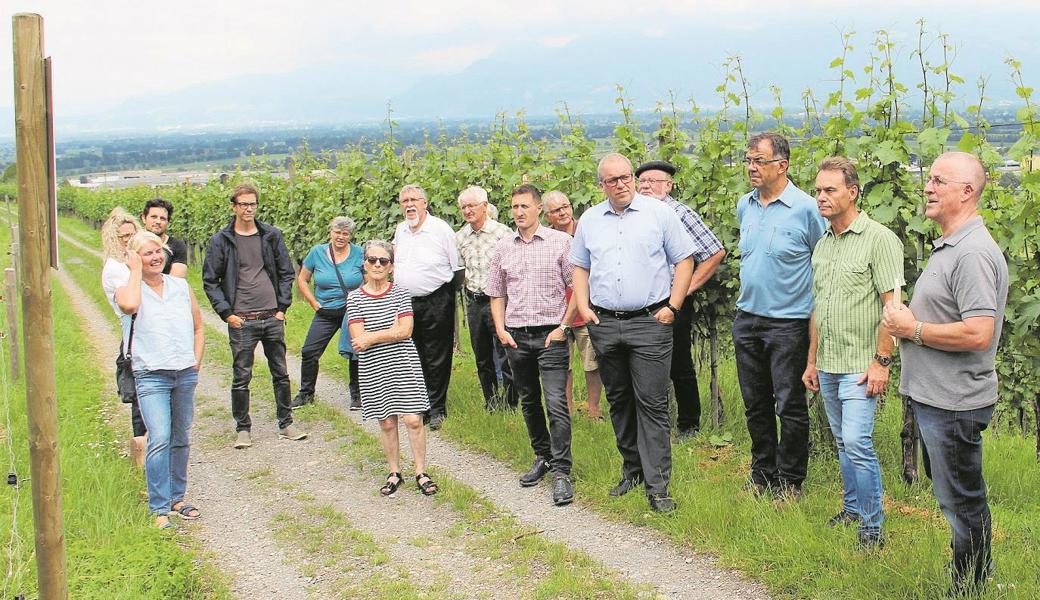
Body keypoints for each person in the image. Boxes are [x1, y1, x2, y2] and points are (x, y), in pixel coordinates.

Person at [883, 152, 1007, 595]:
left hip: (954, 402)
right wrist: (907, 318)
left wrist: (911, 328)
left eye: (938, 181)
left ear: (966, 192)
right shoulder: (952, 245)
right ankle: (972, 577)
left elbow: (978, 332)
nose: (928, 187)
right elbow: (950, 315)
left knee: (961, 501)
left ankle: (970, 586)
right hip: (937, 398)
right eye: (928, 179)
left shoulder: (972, 252)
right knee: (954, 494)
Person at [570, 153, 696, 513]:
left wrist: (672, 306)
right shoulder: (591, 220)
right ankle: (633, 470)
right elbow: (580, 265)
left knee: (653, 404)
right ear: (602, 186)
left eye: (626, 177)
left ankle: (658, 487)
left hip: (649, 322)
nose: (622, 184)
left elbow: (685, 259)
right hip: (605, 323)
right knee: (619, 399)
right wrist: (583, 306)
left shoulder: (659, 214)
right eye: (613, 180)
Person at [801, 157, 903, 549]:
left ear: (853, 192)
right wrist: (812, 360)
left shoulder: (880, 239)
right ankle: (853, 509)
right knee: (844, 442)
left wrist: (881, 362)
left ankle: (872, 528)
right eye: (818, 190)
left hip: (862, 366)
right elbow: (819, 306)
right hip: (828, 363)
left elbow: (893, 309)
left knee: (858, 442)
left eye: (830, 190)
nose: (821, 197)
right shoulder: (824, 243)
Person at [733, 132, 827, 500]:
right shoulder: (745, 205)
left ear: (782, 165)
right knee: (755, 403)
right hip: (747, 318)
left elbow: (823, 264)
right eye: (749, 160)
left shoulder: (806, 209)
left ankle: (790, 482)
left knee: (789, 403)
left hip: (789, 323)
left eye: (760, 161)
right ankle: (762, 475)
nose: (752, 168)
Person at [487, 184, 576, 506]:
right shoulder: (502, 248)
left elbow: (578, 287)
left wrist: (564, 327)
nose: (519, 212)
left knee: (556, 403)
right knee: (529, 400)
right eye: (514, 207)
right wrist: (500, 329)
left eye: (525, 206)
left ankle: (563, 471)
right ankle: (542, 455)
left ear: (539, 209)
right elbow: (496, 293)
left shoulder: (561, 243)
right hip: (516, 336)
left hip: (550, 334)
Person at [202, 182, 307, 448]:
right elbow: (210, 280)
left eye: (253, 204)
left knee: (281, 373)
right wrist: (226, 314)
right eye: (244, 204)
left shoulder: (270, 235)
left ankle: (286, 423)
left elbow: (286, 272)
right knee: (241, 376)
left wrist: (282, 308)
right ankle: (243, 428)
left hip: (271, 316)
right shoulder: (221, 240)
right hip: (242, 319)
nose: (249, 209)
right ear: (233, 207)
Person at [114, 231, 204, 529]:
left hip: (184, 371)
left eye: (158, 252)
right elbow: (128, 306)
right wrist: (135, 271)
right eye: (147, 253)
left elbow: (198, 327)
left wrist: (196, 362)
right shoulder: (127, 289)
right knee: (160, 437)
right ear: (134, 259)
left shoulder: (180, 286)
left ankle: (177, 498)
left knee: (181, 437)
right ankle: (159, 507)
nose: (155, 257)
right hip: (151, 373)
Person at [635, 161, 726, 439]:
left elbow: (714, 252)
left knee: (678, 363)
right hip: (638, 303)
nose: (646, 186)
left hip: (670, 301)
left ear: (668, 185)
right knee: (641, 363)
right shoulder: (633, 214)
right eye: (642, 181)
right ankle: (651, 424)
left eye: (653, 181)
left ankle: (689, 424)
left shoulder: (680, 213)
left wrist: (684, 290)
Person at [347, 240, 437, 497]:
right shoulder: (354, 298)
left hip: (403, 363)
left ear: (391, 267)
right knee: (386, 422)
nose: (377, 265)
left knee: (412, 419)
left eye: (383, 261)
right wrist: (389, 333)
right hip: (374, 367)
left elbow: (405, 330)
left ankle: (421, 471)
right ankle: (395, 472)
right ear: (365, 264)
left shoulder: (400, 293)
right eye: (372, 260)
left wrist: (372, 337)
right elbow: (357, 340)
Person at [392, 184, 464, 430]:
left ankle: (437, 408)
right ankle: (419, 404)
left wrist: (443, 297)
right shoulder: (401, 230)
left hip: (436, 300)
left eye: (414, 199)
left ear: (425, 203)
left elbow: (457, 269)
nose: (409, 205)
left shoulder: (440, 229)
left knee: (437, 355)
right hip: (406, 302)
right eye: (404, 201)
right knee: (412, 354)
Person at [291, 217, 365, 410]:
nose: (341, 237)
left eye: (345, 233)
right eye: (337, 232)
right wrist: (314, 302)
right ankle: (306, 393)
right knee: (309, 351)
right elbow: (302, 279)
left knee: (355, 350)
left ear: (350, 235)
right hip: (325, 310)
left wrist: (362, 304)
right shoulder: (317, 252)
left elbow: (368, 280)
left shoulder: (359, 253)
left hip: (351, 310)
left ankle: (357, 396)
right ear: (330, 232)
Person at [455, 186, 515, 410]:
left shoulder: (503, 233)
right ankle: (490, 401)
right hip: (473, 302)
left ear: (485, 207)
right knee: (481, 355)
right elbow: (461, 267)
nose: (468, 210)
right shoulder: (460, 237)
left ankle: (510, 402)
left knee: (505, 353)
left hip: (499, 301)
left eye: (472, 205)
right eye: (464, 207)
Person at [544, 190, 603, 419]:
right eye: (556, 210)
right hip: (557, 312)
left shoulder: (587, 231)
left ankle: (594, 410)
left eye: (565, 207)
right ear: (547, 216)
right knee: (562, 365)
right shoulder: (546, 239)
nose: (563, 213)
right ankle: (566, 411)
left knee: (592, 363)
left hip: (587, 309)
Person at [101, 208, 147, 465]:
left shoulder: (131, 264)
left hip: (149, 333)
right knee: (140, 399)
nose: (128, 241)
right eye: (123, 237)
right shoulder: (115, 269)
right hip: (134, 336)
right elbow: (132, 303)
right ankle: (140, 456)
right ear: (113, 239)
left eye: (132, 235)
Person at [141, 197, 188, 277]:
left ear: (168, 222)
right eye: (154, 217)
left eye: (162, 218)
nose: (158, 221)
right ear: (144, 218)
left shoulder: (177, 246)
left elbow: (176, 280)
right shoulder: (135, 244)